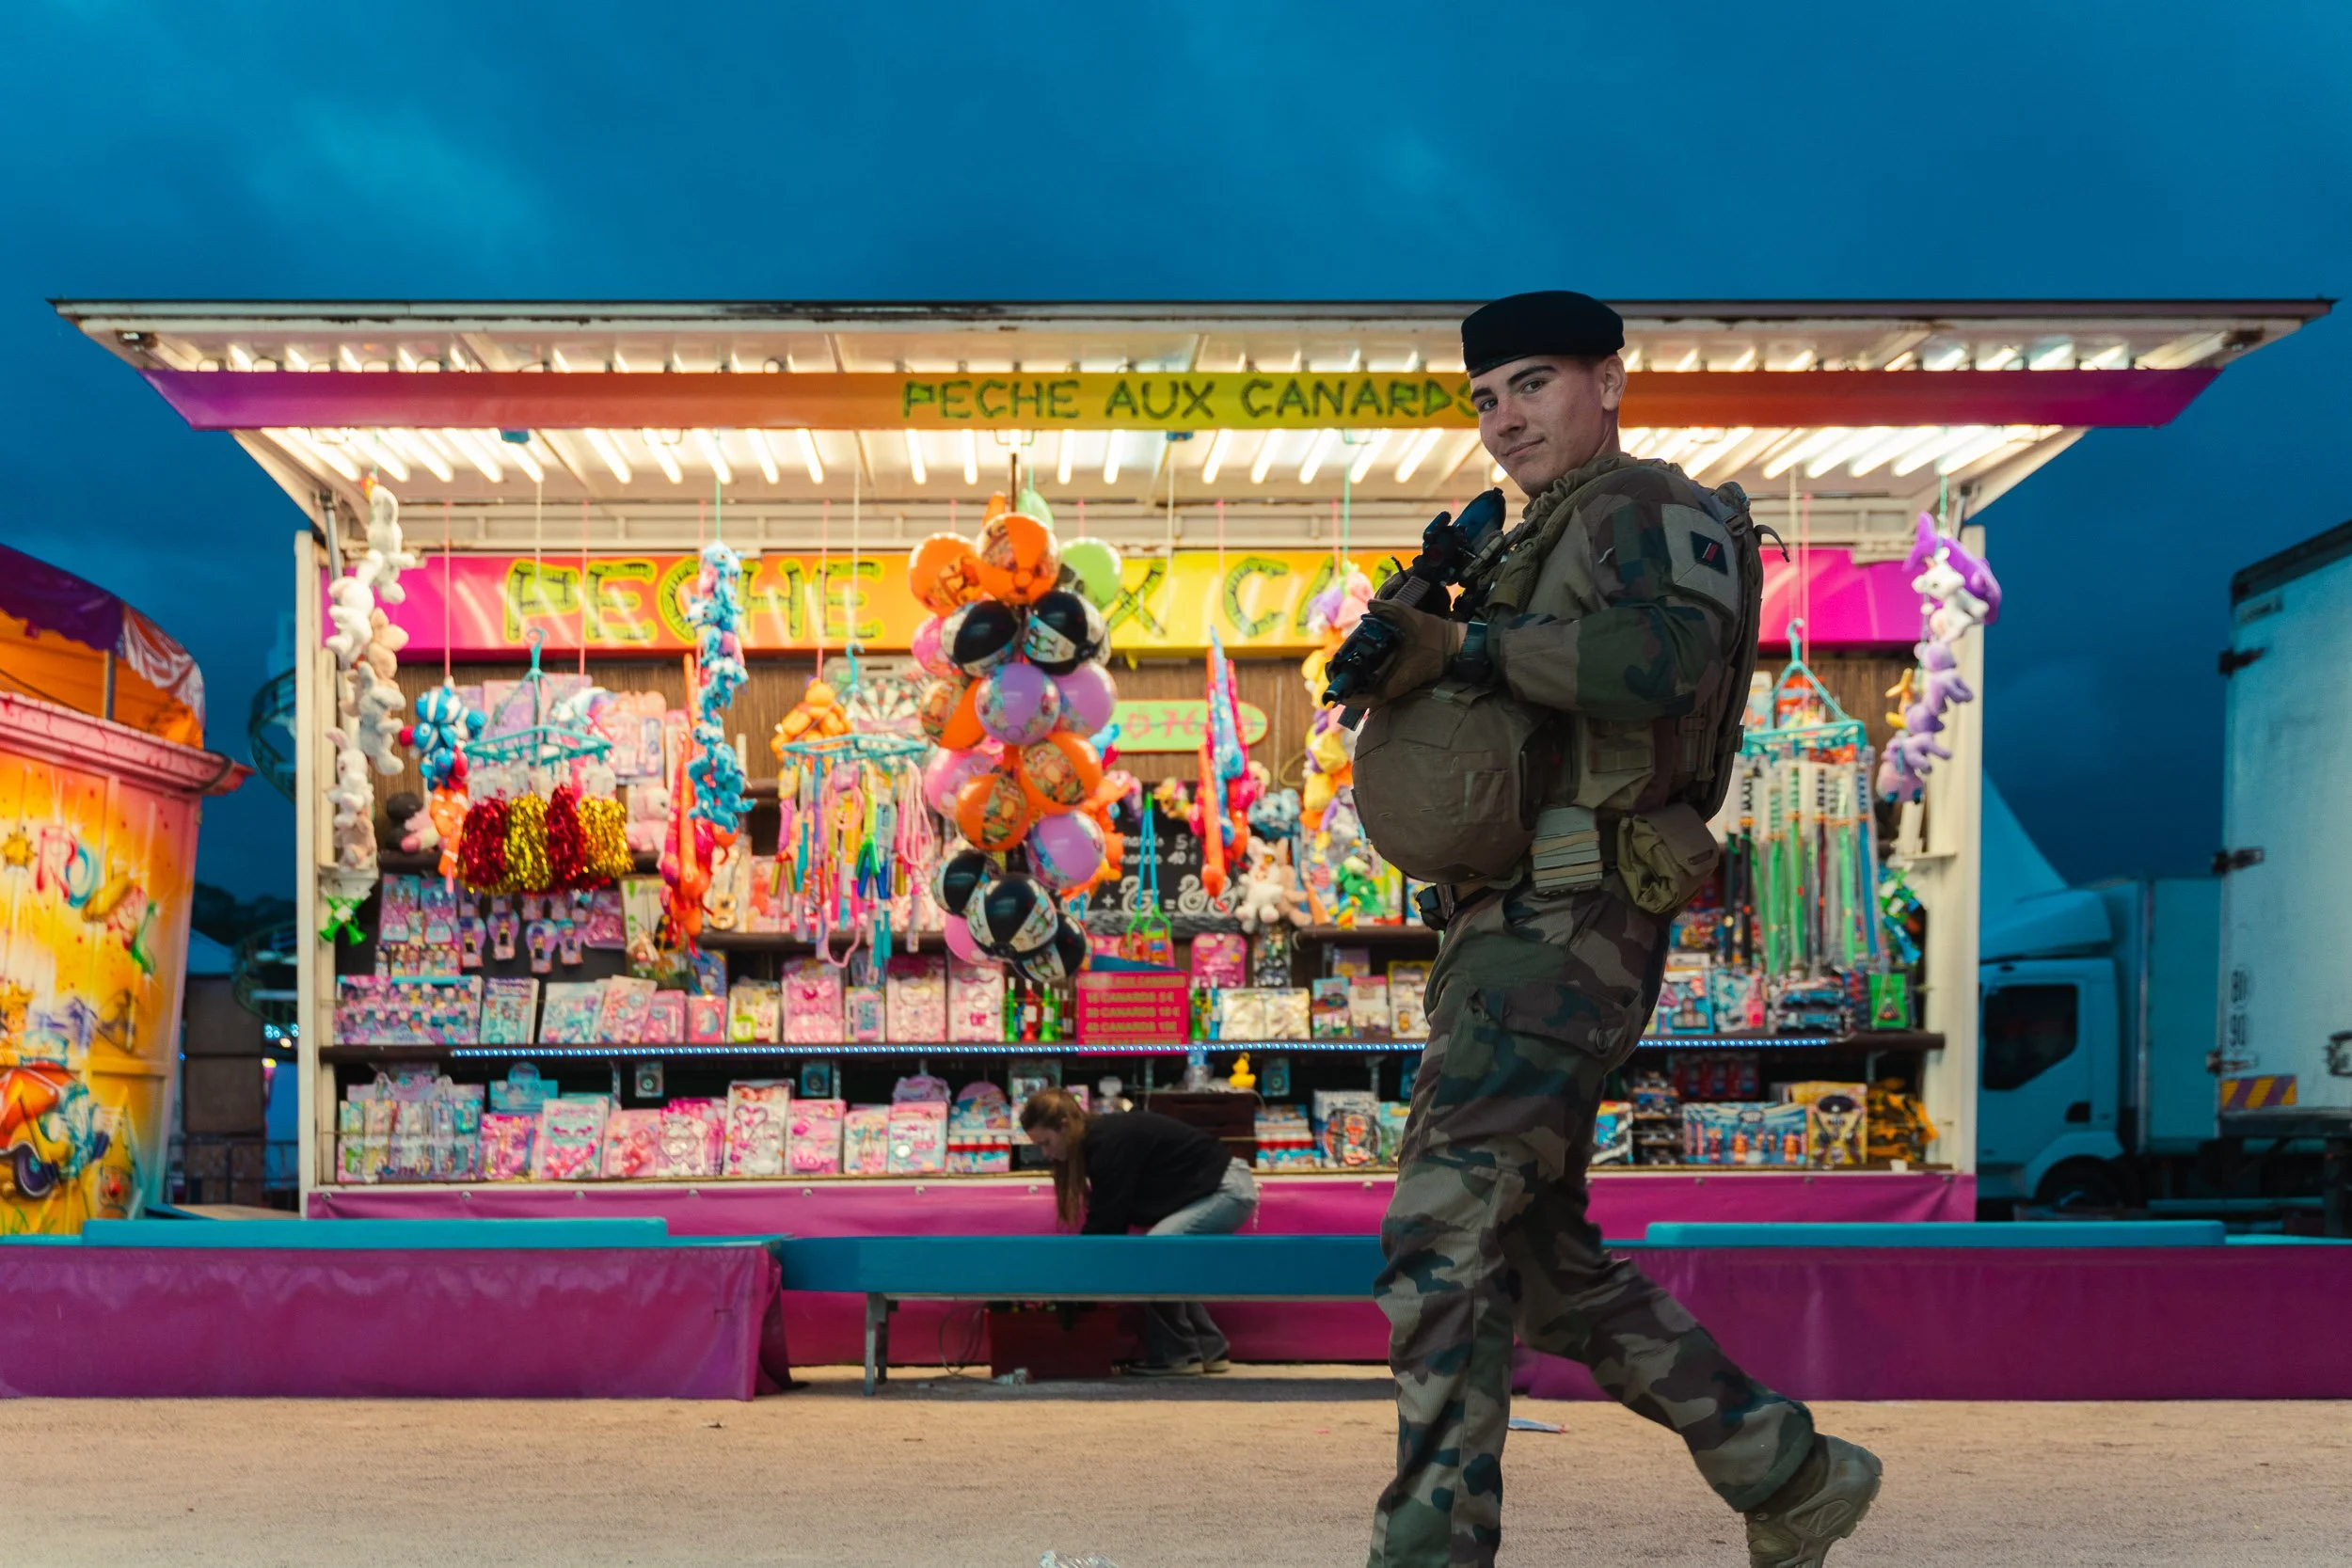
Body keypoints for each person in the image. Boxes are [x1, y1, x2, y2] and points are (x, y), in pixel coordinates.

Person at [1349, 291, 1883, 1568]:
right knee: (1533, 1256)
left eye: (1532, 385)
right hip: (1509, 929)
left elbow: (1664, 664)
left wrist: (1465, 648)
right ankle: (1789, 1469)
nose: (1505, 419)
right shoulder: (1535, 533)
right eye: (1486, 398)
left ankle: (1432, 1549)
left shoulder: (1649, 505)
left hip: (1569, 923)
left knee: (1439, 1227)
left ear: (1609, 380)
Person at [1020, 1088, 1259, 1376]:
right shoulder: (1099, 1140)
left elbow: (1107, 1224)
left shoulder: (1106, 1143)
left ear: (1064, 1126)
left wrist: (1076, 1285)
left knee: (1152, 1254)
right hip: (1223, 1187)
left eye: (1046, 1143)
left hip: (1228, 1190)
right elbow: (1108, 1219)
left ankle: (1179, 1354)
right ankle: (1209, 1349)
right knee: (1162, 1259)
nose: (1046, 1154)